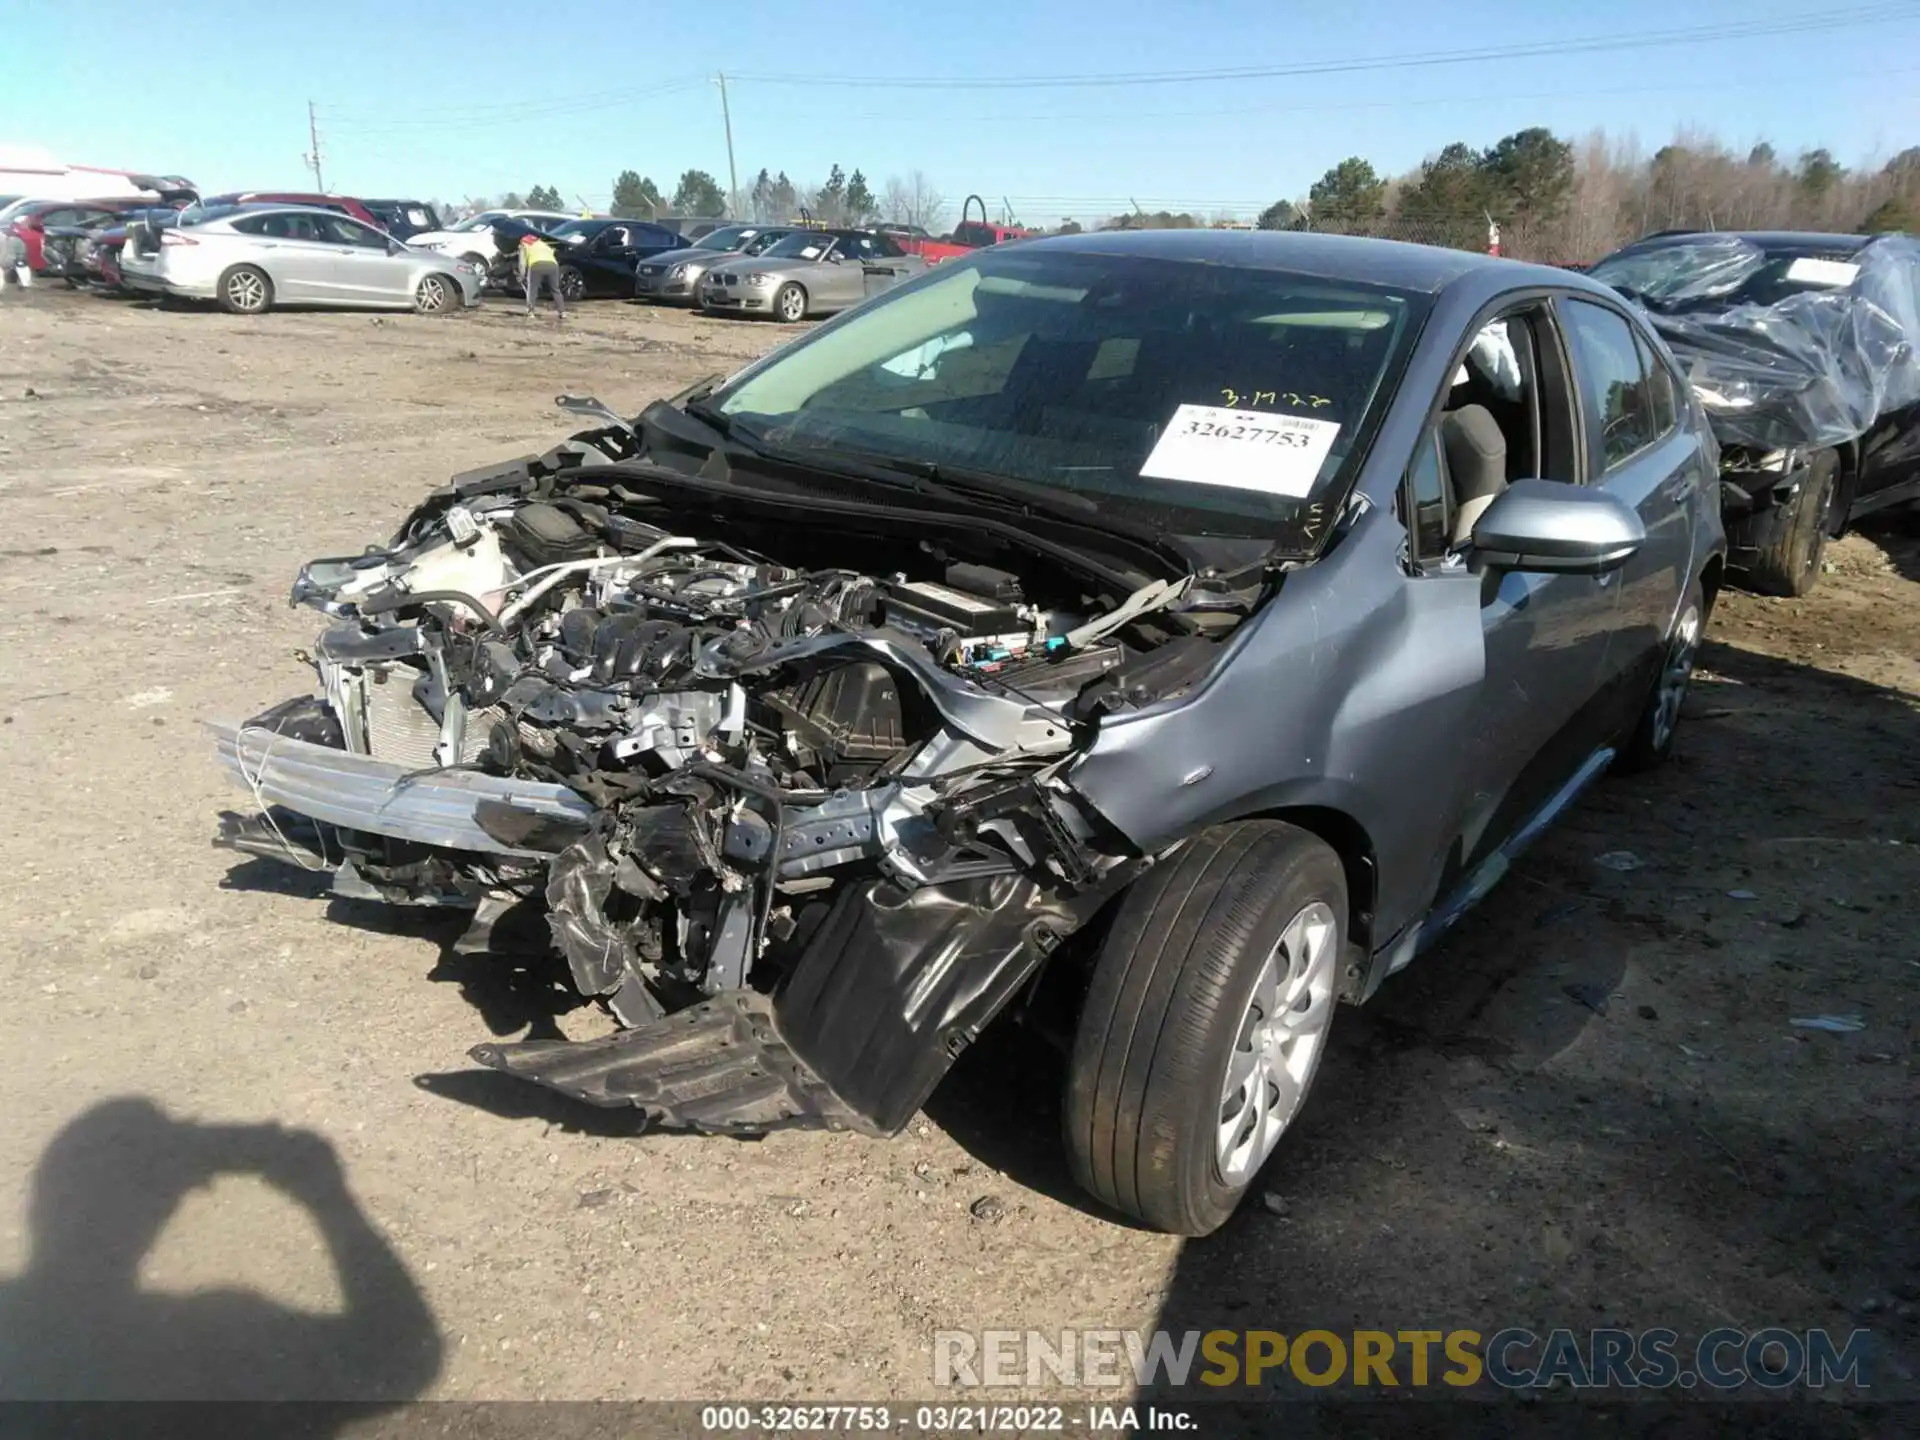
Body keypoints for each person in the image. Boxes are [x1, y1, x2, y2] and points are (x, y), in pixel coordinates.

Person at [518, 231, 563, 319]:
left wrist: (522, 276)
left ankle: (531, 312)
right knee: (555, 289)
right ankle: (562, 312)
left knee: (532, 289)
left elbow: (522, 264)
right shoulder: (543, 244)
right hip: (553, 265)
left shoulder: (524, 245)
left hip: (536, 265)